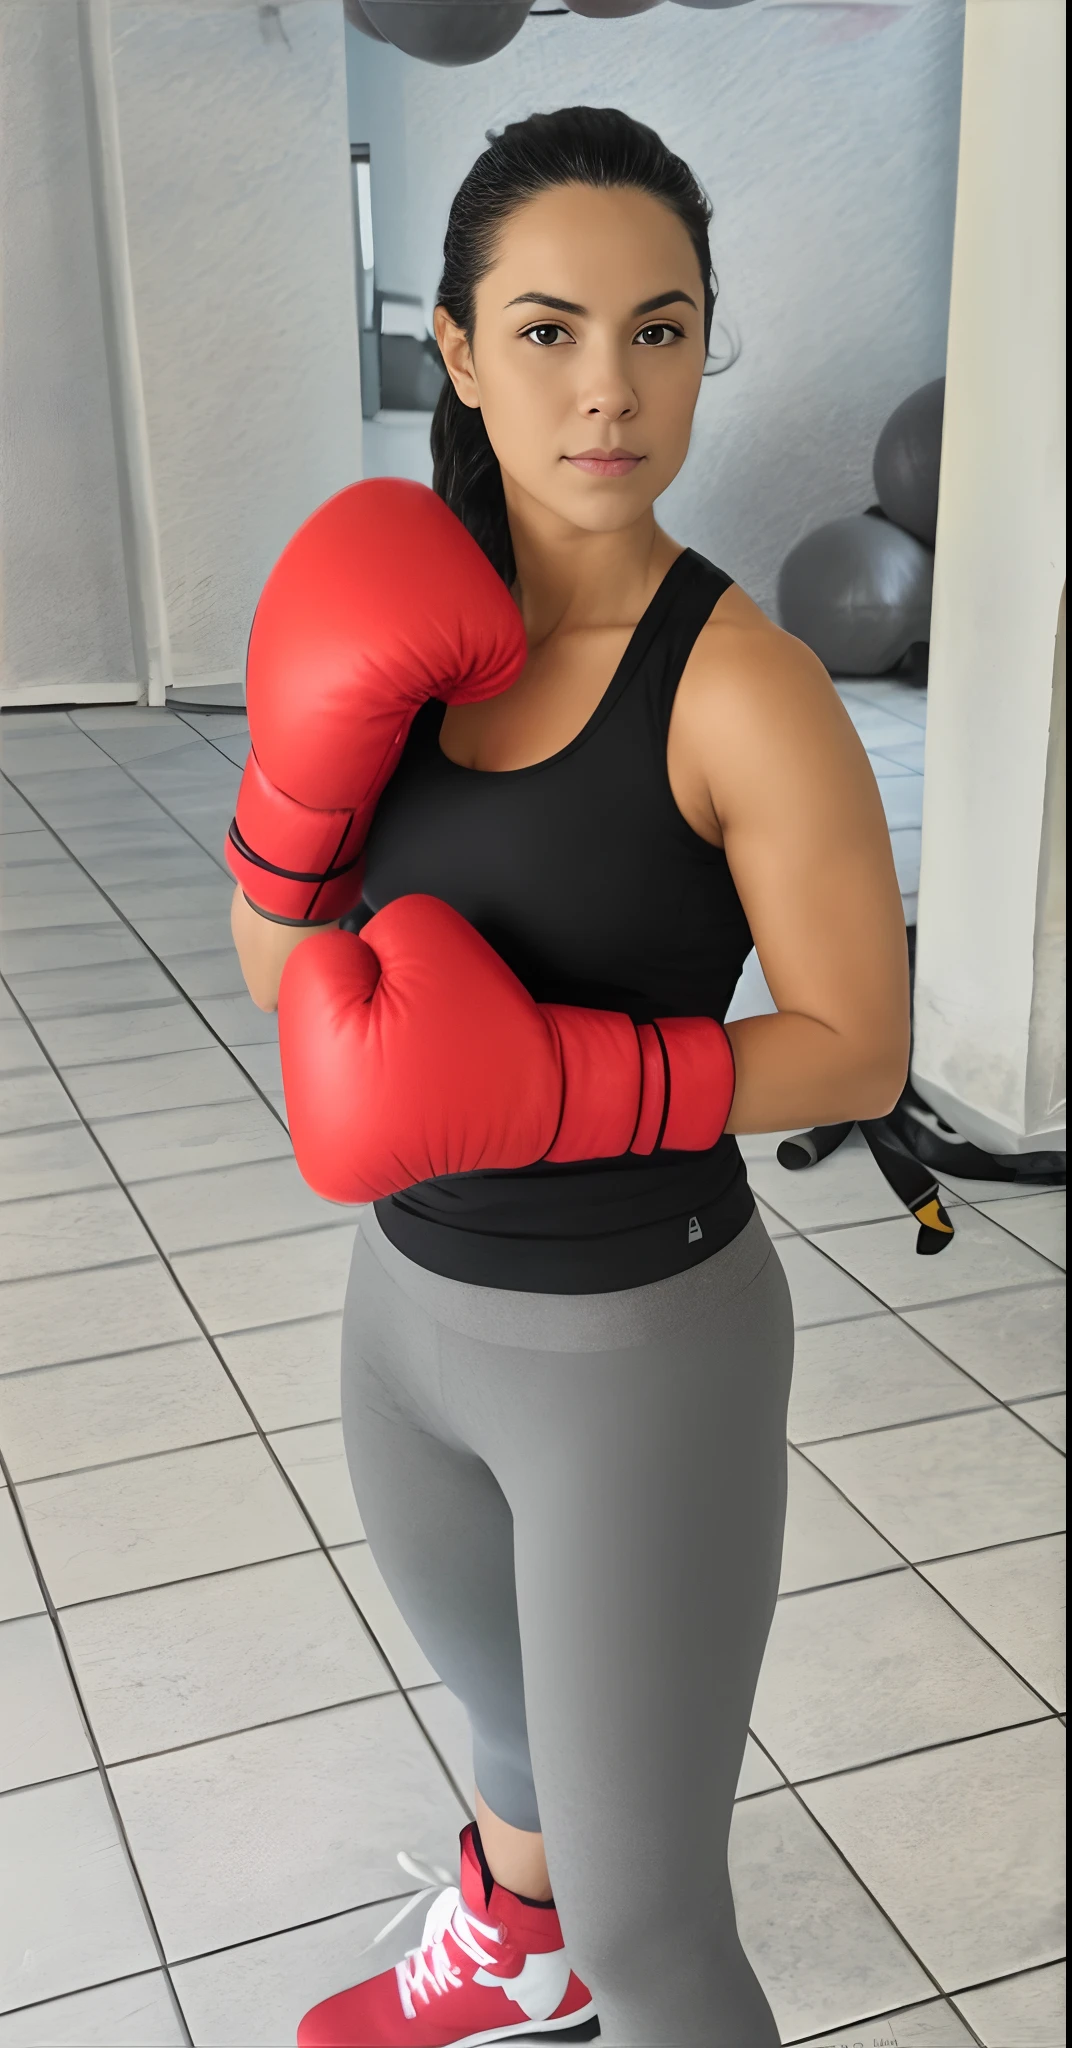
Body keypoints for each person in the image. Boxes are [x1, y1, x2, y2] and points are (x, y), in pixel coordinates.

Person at [229, 106, 910, 2048]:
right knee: (508, 1725)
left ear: (703, 343)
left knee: (656, 1927)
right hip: (405, 1312)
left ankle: (576, 1951)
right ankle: (503, 1947)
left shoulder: (737, 685)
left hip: (638, 1352)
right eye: (544, 331)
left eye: (659, 330)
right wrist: (288, 796)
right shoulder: (392, 612)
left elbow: (853, 1041)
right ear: (452, 349)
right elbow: (280, 971)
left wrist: (554, 1089)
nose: (607, 390)